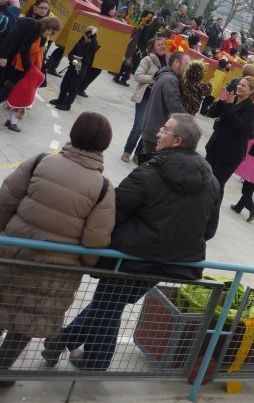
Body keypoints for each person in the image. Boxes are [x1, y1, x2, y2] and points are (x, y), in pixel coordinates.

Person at [42, 114, 220, 371]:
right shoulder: (211, 182)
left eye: (165, 130)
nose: (158, 133)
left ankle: (95, 360)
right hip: (169, 263)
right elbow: (209, 230)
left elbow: (113, 212)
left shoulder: (149, 173)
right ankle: (62, 340)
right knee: (110, 305)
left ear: (177, 141)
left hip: (130, 257)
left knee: (108, 305)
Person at [0, 113, 115, 385]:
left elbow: (6, 200)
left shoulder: (41, 161)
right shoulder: (103, 189)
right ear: (104, 144)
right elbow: (94, 241)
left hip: (14, 252)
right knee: (27, 319)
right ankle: (2, 368)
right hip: (54, 270)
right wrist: (87, 262)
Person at [205, 75, 254, 196]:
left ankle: (212, 213)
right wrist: (221, 101)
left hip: (230, 154)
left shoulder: (251, 108)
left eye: (243, 85)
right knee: (205, 179)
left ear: (250, 91)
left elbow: (237, 126)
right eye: (239, 84)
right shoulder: (232, 99)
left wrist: (229, 105)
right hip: (215, 147)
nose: (239, 86)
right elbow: (211, 113)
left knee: (216, 185)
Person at [121, 37, 168, 163]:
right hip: (145, 98)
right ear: (153, 47)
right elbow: (137, 76)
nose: (162, 46)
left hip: (158, 103)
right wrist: (154, 78)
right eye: (159, 45)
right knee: (139, 126)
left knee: (150, 130)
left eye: (163, 44)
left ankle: (138, 154)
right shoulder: (147, 59)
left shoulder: (168, 62)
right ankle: (127, 151)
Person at [139, 51, 190, 163]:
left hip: (153, 130)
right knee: (148, 171)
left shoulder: (166, 76)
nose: (188, 69)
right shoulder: (170, 80)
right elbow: (175, 107)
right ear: (176, 62)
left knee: (146, 168)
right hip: (157, 133)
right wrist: (189, 118)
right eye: (186, 64)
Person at [49, 27, 100, 111]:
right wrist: (73, 60)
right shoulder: (79, 43)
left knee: (74, 87)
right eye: (87, 35)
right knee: (64, 84)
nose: (88, 37)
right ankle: (60, 99)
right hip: (73, 65)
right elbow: (70, 54)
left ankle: (67, 104)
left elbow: (94, 45)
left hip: (81, 68)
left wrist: (93, 34)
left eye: (90, 36)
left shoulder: (92, 47)